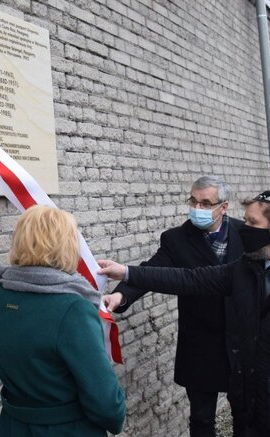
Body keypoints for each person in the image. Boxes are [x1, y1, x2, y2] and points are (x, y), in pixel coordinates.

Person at [98, 191, 270, 436]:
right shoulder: (247, 269)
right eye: (244, 220)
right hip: (253, 416)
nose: (244, 228)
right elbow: (190, 279)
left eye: (252, 222)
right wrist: (126, 272)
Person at [102, 175, 245, 437]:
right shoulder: (176, 239)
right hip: (201, 341)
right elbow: (152, 270)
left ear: (223, 207)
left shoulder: (246, 234)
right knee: (202, 418)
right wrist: (120, 296)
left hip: (243, 340)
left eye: (205, 203)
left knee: (246, 414)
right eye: (193, 201)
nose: (197, 208)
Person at [0, 205, 126, 436]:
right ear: (66, 244)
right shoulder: (72, 309)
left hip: (13, 425)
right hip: (66, 428)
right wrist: (116, 414)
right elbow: (104, 398)